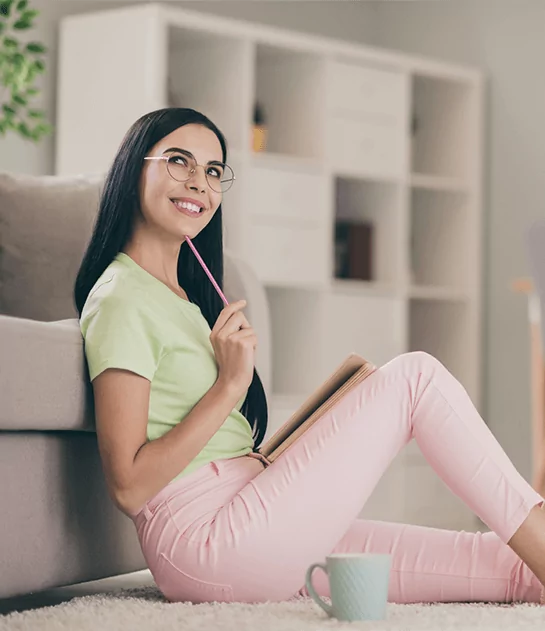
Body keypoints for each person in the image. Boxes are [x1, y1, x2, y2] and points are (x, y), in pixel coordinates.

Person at [74, 107, 545, 607]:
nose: (198, 183)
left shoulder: (187, 299)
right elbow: (128, 487)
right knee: (415, 379)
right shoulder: (121, 298)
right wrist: (228, 387)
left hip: (258, 514)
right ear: (132, 170)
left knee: (513, 566)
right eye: (178, 161)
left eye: (213, 171)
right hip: (208, 542)